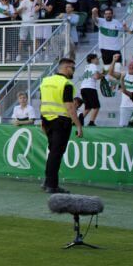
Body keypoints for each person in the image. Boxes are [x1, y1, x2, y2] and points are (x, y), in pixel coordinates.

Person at [39, 59, 83, 194]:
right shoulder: (66, 84)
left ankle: (47, 182)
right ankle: (52, 185)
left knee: (52, 152)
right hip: (61, 121)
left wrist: (42, 122)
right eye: (73, 69)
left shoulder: (45, 81)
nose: (73, 72)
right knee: (56, 154)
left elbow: (42, 102)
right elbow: (69, 107)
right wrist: (78, 125)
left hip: (47, 120)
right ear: (66, 68)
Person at [78, 53, 102, 127]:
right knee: (96, 106)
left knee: (88, 107)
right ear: (92, 60)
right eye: (96, 58)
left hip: (83, 88)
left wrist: (101, 74)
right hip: (90, 88)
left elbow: (94, 74)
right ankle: (91, 122)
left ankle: (77, 122)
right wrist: (102, 75)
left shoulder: (87, 67)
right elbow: (96, 76)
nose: (98, 60)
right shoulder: (93, 66)